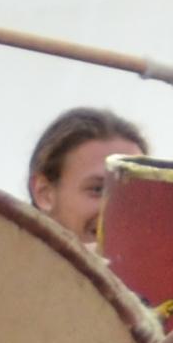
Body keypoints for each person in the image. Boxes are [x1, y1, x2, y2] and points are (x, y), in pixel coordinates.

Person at [27, 104, 145, 244]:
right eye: (98, 189)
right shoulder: (6, 255)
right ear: (44, 193)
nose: (121, 212)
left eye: (135, 194)